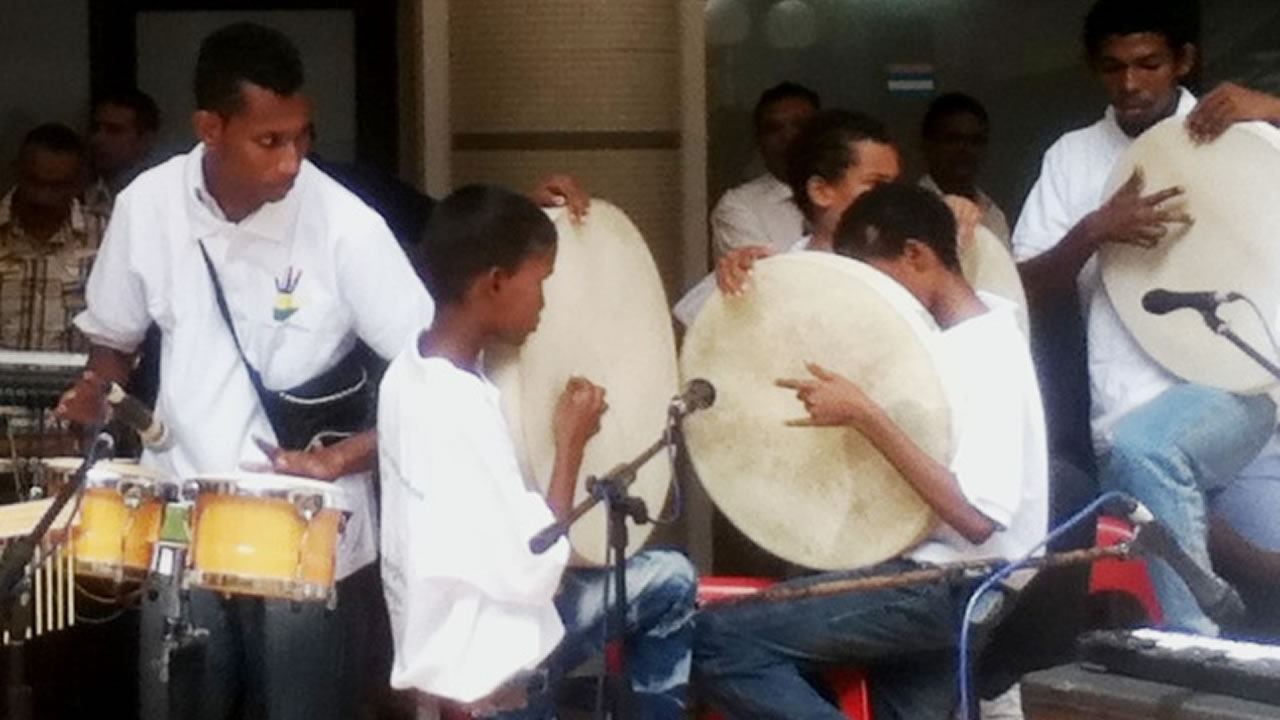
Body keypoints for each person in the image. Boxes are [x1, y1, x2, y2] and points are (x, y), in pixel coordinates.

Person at [54, 22, 436, 720]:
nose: (293, 161)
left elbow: (436, 380)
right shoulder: (148, 205)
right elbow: (111, 350)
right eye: (270, 141)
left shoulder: (347, 226)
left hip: (310, 538)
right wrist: (93, 403)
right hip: (179, 523)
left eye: (303, 137)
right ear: (209, 127)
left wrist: (345, 457)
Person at [694, 183, 1048, 720]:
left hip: (946, 586)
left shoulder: (985, 352)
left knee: (719, 641)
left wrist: (866, 417)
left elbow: (977, 518)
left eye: (878, 283)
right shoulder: (938, 341)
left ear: (917, 255)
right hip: (929, 582)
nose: (875, 305)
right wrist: (757, 281)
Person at [1012, 0, 1280, 636]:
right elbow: (1022, 293)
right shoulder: (1073, 157)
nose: (1129, 83)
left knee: (1267, 595)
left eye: (1148, 64)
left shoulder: (1245, 131)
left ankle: (1193, 641)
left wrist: (1272, 107)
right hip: (1126, 425)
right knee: (1152, 463)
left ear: (1184, 62)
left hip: (1244, 406)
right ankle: (1193, 647)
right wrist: (1091, 234)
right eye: (1112, 68)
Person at [378, 184, 695, 719]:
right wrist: (570, 444)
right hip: (492, 675)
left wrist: (527, 214)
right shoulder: (458, 409)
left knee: (664, 580)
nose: (545, 306)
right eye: (541, 284)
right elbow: (534, 566)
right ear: (495, 282)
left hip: (450, 650)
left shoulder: (410, 373)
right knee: (671, 582)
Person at [674, 109, 902, 327]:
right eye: (875, 184)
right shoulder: (756, 276)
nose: (890, 197)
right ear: (820, 191)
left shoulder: (909, 273)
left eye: (893, 185)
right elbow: (694, 347)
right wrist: (737, 287)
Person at [0, 122, 101, 352]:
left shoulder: (106, 238)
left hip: (77, 382)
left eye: (57, 187)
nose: (42, 197)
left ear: (79, 183)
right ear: (16, 172)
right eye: (34, 182)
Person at [710, 82, 820, 259]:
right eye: (774, 128)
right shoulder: (740, 206)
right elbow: (765, 280)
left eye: (800, 125)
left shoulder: (847, 193)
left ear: (822, 133)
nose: (788, 136)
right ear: (759, 140)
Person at [918, 92, 1012, 247]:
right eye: (953, 140)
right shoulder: (910, 210)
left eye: (975, 141)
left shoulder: (994, 215)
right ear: (928, 145)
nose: (965, 150)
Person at [85, 87, 161, 223]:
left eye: (114, 131)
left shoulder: (162, 194)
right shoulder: (80, 191)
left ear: (145, 140)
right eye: (95, 128)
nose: (97, 139)